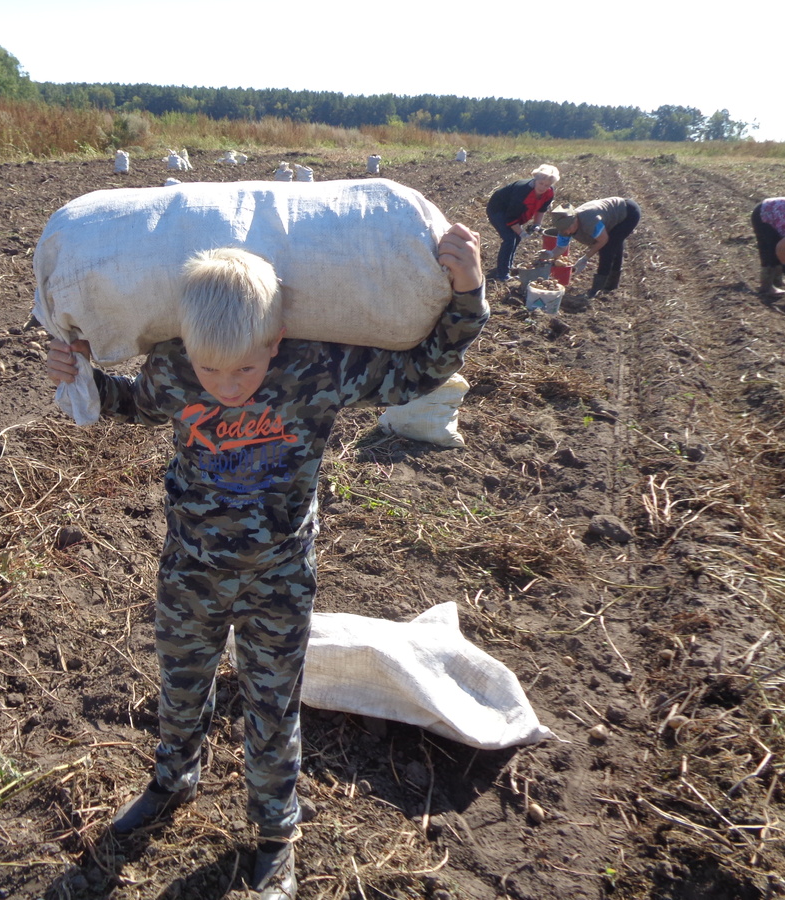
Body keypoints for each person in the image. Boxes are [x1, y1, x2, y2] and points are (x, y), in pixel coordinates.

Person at [45, 226, 488, 900]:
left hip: (278, 575)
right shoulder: (175, 367)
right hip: (189, 566)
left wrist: (469, 293)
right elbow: (133, 404)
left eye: (245, 370)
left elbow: (419, 372)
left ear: (275, 341)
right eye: (210, 371)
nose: (226, 386)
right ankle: (171, 782)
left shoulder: (316, 369)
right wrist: (80, 376)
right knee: (182, 683)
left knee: (271, 703)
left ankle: (276, 836)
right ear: (187, 349)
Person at [547, 197, 642, 298]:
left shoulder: (589, 221)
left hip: (628, 212)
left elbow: (603, 240)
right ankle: (611, 285)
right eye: (564, 230)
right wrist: (550, 254)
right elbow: (561, 248)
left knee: (608, 249)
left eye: (569, 228)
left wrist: (585, 258)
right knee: (614, 244)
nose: (567, 232)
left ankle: (598, 288)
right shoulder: (563, 228)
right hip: (611, 217)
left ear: (575, 219)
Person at [485, 165, 560, 282]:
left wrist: (537, 224)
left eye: (547, 185)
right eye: (541, 183)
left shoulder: (549, 192)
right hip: (498, 209)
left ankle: (507, 266)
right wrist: (522, 233)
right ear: (535, 180)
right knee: (509, 238)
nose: (543, 187)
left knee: (516, 238)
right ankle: (502, 275)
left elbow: (541, 209)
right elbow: (511, 218)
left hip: (513, 211)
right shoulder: (522, 191)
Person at [750, 197, 785, 299]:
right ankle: (766, 287)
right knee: (771, 249)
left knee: (780, 247)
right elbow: (781, 248)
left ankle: (777, 280)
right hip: (764, 214)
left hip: (776, 214)